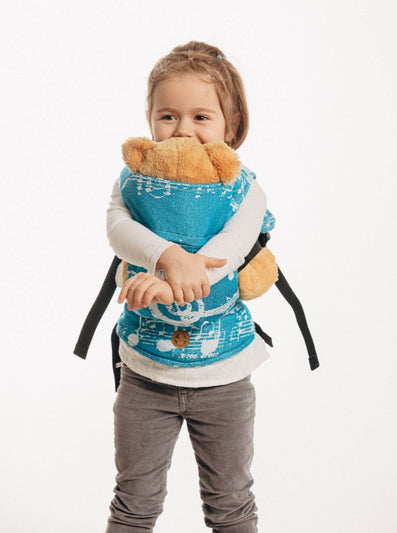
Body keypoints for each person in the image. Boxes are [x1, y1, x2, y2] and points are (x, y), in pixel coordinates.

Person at [105, 41, 273, 533]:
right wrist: (167, 257)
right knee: (133, 502)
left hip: (224, 378)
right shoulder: (134, 179)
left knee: (231, 503)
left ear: (230, 126)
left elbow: (229, 252)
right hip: (145, 375)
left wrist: (171, 283)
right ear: (150, 121)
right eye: (168, 116)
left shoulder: (245, 188)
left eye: (201, 117)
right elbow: (118, 228)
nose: (182, 130)